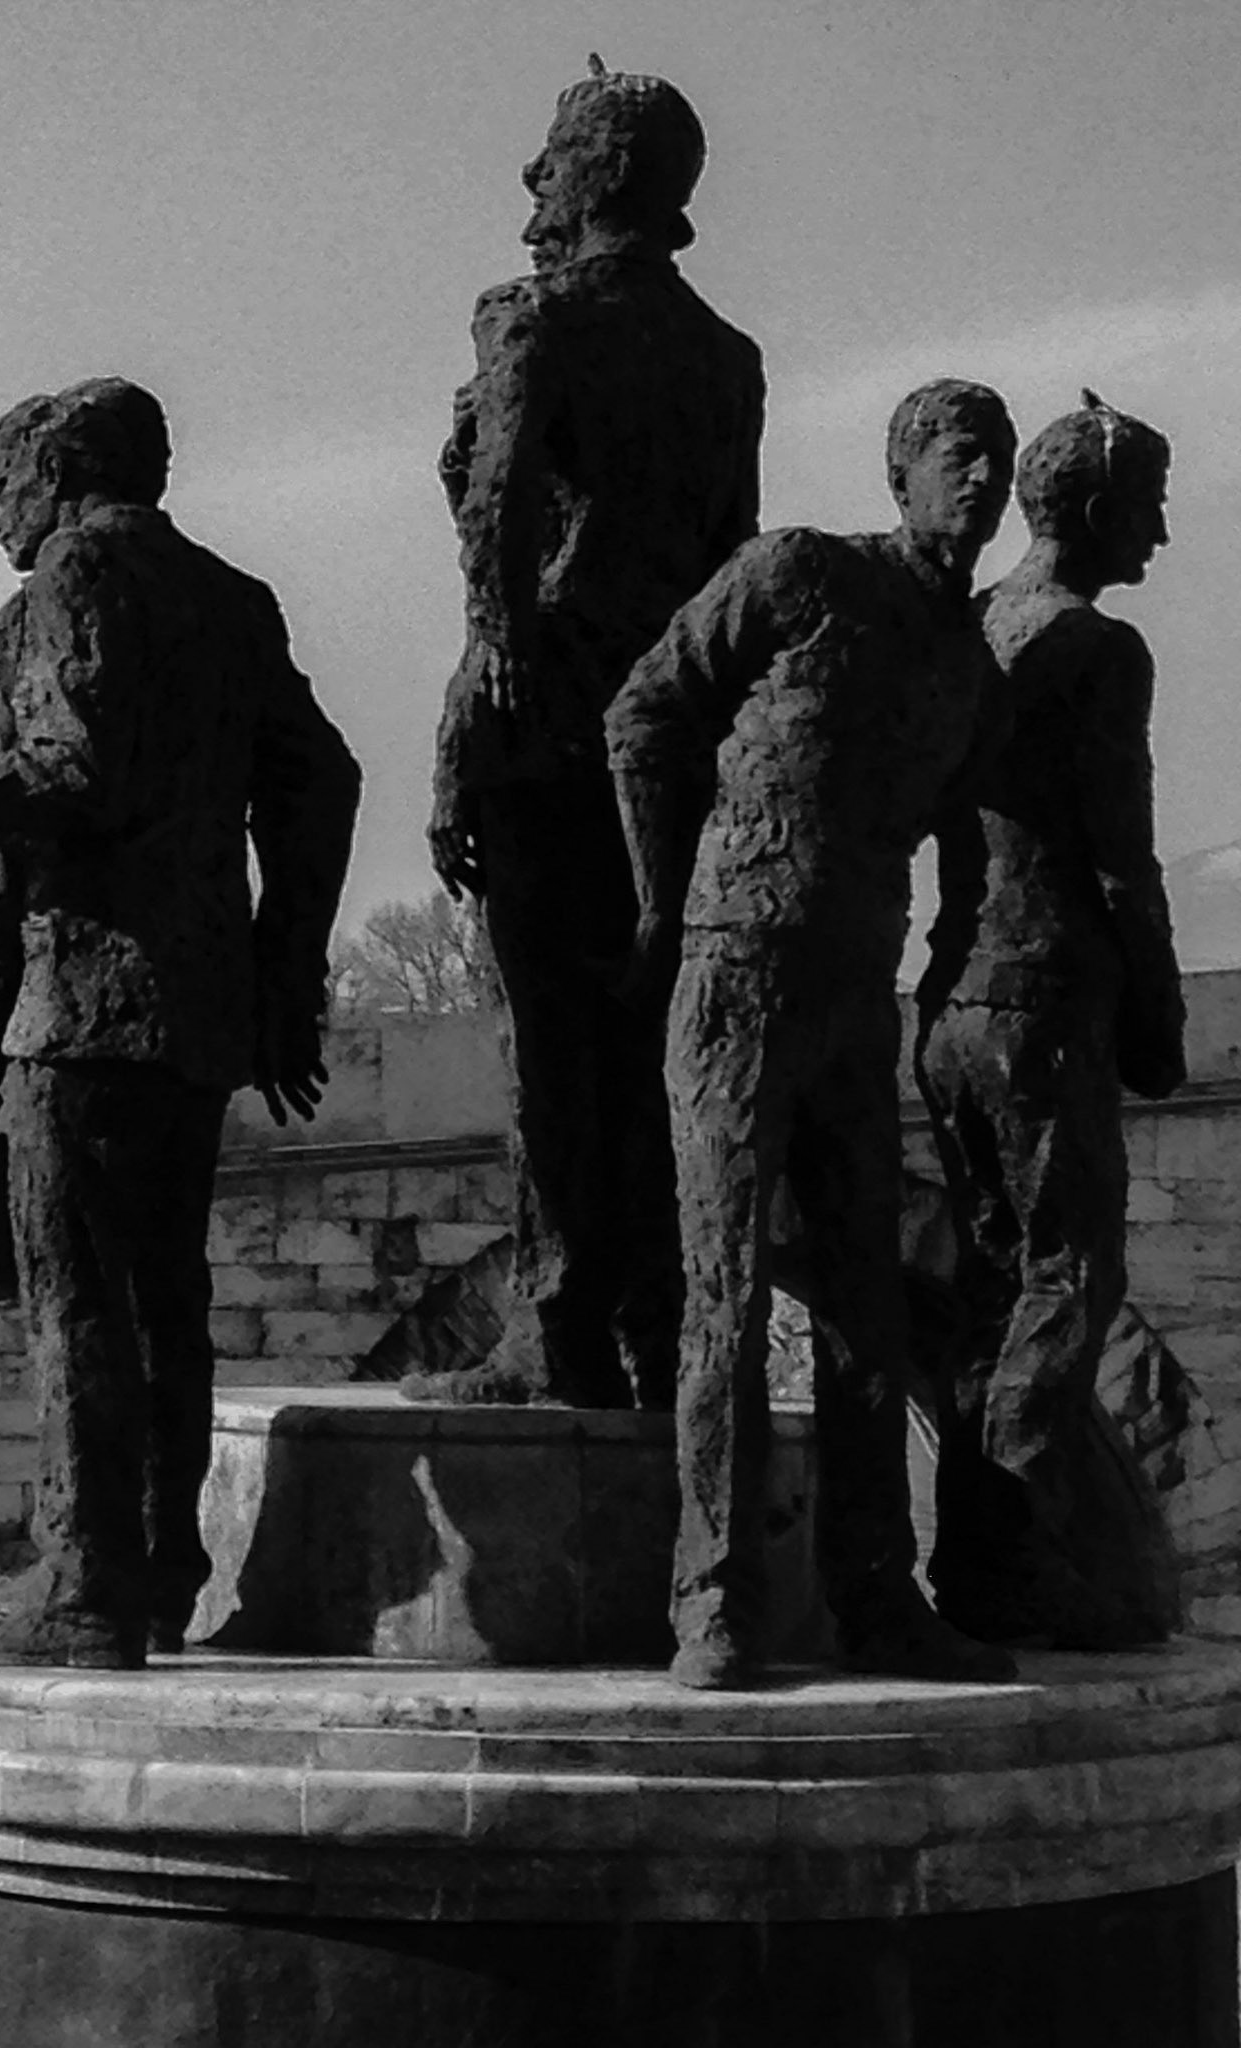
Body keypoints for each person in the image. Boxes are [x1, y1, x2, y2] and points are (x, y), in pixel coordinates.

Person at [0, 378, 360, 1668]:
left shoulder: (66, 582)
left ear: (61, 471)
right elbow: (321, 781)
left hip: (80, 1002)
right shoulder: (234, 599)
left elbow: (61, 788)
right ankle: (155, 1570)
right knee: (165, 1298)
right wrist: (282, 977)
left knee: (79, 1303)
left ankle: (85, 1586)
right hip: (193, 1009)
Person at [607, 379, 1019, 1688]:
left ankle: (877, 1594)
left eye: (1000, 460)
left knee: (866, 1304)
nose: (984, 479)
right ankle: (712, 1599)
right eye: (959, 455)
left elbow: (967, 835)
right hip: (736, 968)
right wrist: (663, 905)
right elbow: (644, 713)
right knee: (725, 1288)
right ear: (902, 475)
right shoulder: (799, 572)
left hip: (856, 986)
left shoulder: (965, 660)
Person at [427, 58, 765, 1409]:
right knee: (645, 1040)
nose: (533, 177)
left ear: (604, 175)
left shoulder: (531, 318)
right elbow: (731, 556)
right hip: (677, 724)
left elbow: (499, 519)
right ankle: (650, 1320)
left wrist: (477, 703)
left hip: (550, 708)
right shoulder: (726, 358)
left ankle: (556, 1326)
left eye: (553, 156)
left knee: (552, 1045)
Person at [915, 391, 1185, 1648]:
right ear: (1095, 507)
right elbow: (1122, 860)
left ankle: (978, 1557)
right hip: (1049, 1000)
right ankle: (1016, 1539)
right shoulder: (1098, 649)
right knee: (1073, 1276)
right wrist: (1160, 1016)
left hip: (950, 1001)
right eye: (1150, 506)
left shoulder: (967, 626)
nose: (1161, 535)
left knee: (988, 1287)